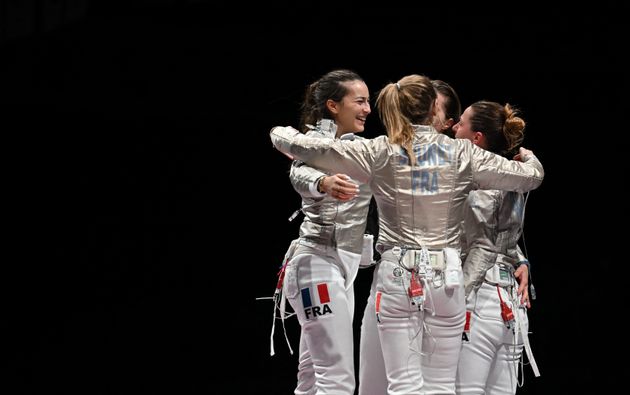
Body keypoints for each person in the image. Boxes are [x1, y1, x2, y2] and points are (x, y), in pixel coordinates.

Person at [270, 74, 544, 395]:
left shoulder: (379, 150)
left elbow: (295, 144)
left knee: (402, 385)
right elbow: (530, 178)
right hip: (448, 278)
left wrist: (279, 133)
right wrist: (529, 157)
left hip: (397, 275)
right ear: (432, 109)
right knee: (441, 386)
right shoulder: (462, 153)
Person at [357, 78, 462, 395]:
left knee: (432, 384)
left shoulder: (460, 161)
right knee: (375, 382)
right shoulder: (388, 154)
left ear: (446, 122)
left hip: (447, 279)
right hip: (393, 277)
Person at [274, 69, 373, 395]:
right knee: (337, 377)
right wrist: (323, 182)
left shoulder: (360, 148)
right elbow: (299, 172)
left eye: (368, 102)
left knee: (314, 374)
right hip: (316, 266)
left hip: (341, 268)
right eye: (359, 101)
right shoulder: (315, 143)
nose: (367, 109)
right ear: (333, 105)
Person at [453, 101, 540, 394]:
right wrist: (521, 261)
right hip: (510, 304)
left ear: (476, 138)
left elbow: (484, 243)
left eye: (461, 123)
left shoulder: (469, 179)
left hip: (476, 301)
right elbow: (502, 239)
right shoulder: (515, 176)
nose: (454, 127)